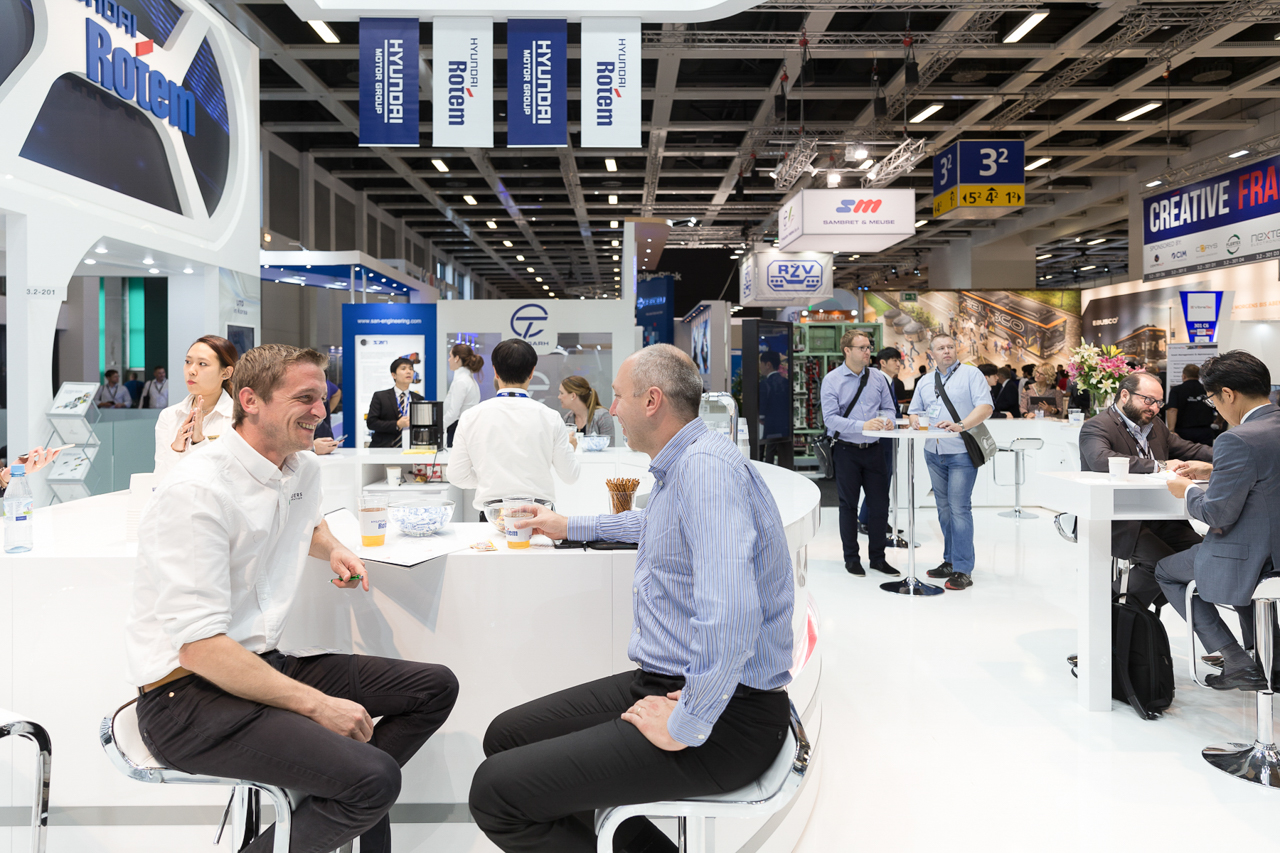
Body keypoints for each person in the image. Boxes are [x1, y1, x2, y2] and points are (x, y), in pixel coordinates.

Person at [126, 343, 458, 853]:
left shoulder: (300, 468)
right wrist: (319, 707)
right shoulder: (196, 490)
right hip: (187, 698)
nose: (320, 411)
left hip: (260, 664)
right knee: (373, 778)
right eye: (304, 398)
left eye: (321, 398)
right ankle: (344, 791)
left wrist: (335, 549)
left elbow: (305, 523)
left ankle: (333, 794)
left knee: (432, 689)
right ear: (250, 401)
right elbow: (199, 647)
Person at [467, 344, 793, 853]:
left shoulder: (705, 470)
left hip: (726, 716)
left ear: (652, 401)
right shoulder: (686, 463)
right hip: (668, 682)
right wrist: (568, 526)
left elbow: (730, 614)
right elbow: (655, 526)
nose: (612, 408)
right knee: (506, 736)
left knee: (495, 794)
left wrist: (687, 722)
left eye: (619, 397)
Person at [1156, 351, 1280, 690]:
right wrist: (1214, 470)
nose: (1216, 408)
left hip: (1251, 558)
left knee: (1166, 571)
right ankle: (1270, 657)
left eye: (1213, 400)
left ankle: (1235, 659)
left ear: (1228, 393)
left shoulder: (1236, 438)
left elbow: (1216, 514)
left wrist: (1186, 490)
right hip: (1274, 553)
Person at [1078, 371, 1213, 610]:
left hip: (1159, 514)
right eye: (1148, 400)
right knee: (1160, 563)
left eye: (1159, 402)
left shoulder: (1155, 426)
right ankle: (1113, 613)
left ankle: (1135, 619)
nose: (1155, 408)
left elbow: (1189, 449)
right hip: (1119, 518)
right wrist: (1160, 465)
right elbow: (1100, 460)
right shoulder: (1097, 426)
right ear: (1125, 395)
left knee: (1204, 555)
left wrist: (1232, 454)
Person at [447, 338, 580, 512]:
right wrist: (570, 448)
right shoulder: (551, 417)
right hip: (540, 517)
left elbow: (456, 475)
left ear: (495, 372)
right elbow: (570, 476)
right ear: (532, 372)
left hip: (492, 516)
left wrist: (490, 480)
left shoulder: (470, 417)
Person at [908, 334, 993, 590]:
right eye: (941, 348)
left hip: (961, 453)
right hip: (933, 452)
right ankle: (950, 560)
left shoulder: (971, 374)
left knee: (959, 509)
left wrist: (961, 425)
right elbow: (914, 411)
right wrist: (914, 420)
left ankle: (963, 569)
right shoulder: (925, 381)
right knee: (944, 509)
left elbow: (986, 407)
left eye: (950, 347)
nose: (946, 351)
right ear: (931, 353)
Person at [822, 330, 899, 577]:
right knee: (848, 506)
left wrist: (888, 420)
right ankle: (852, 559)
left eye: (869, 347)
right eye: (862, 347)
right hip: (846, 451)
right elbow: (830, 419)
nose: (868, 351)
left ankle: (878, 558)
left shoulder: (877, 378)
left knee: (880, 505)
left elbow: (889, 408)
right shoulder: (832, 380)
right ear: (847, 350)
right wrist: (862, 426)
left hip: (875, 450)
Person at [154, 336, 237, 479]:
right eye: (188, 362)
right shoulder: (169, 415)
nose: (191, 371)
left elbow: (233, 478)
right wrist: (176, 449)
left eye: (202, 364)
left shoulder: (238, 417)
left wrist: (199, 443)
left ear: (226, 373)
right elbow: (159, 480)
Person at [857, 346, 905, 539]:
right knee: (880, 481)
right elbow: (878, 410)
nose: (898, 364)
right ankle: (869, 520)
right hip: (881, 439)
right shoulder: (877, 381)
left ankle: (872, 520)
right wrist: (899, 419)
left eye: (899, 360)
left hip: (888, 437)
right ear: (882, 363)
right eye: (895, 360)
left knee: (883, 481)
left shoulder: (889, 381)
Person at [366, 357, 423, 449]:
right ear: (394, 375)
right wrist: (397, 424)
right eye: (403, 369)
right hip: (384, 448)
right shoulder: (380, 396)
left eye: (411, 369)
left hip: (411, 448)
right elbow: (371, 423)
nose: (408, 372)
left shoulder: (418, 398)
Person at [1166, 363, 1217, 445]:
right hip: (1204, 431)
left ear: (1184, 376)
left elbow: (1172, 410)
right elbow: (1218, 406)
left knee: (1183, 452)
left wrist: (1171, 430)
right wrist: (1219, 422)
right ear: (1198, 376)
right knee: (1205, 452)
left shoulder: (1177, 390)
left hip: (1183, 432)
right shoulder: (1206, 390)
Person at [443, 343, 483, 447]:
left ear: (456, 358)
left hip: (457, 429)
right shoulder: (469, 380)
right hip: (465, 428)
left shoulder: (461, 381)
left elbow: (453, 413)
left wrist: (438, 427)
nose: (449, 360)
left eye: (450, 356)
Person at [558, 374, 614, 448]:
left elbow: (609, 449)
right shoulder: (567, 419)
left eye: (561, 393)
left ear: (573, 396)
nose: (559, 397)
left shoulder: (602, 416)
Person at [757, 351, 790, 466]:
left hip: (768, 425)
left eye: (761, 363)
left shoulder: (764, 384)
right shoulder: (786, 382)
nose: (760, 367)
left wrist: (761, 417)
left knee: (763, 451)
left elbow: (762, 406)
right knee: (778, 453)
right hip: (784, 427)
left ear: (768, 365)